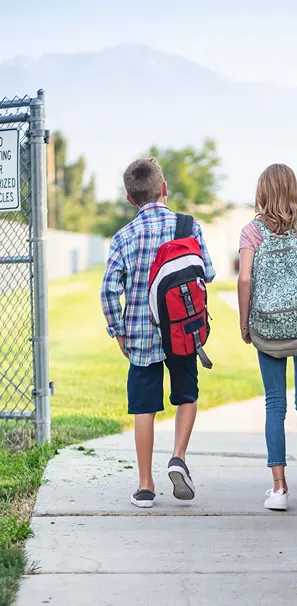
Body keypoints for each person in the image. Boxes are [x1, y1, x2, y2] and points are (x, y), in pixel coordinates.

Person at [101, 157, 215, 508]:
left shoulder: (123, 237)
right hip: (182, 330)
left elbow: (108, 289)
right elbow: (207, 272)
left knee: (144, 409)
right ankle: (178, 456)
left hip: (140, 335)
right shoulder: (187, 226)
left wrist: (117, 330)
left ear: (130, 198)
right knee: (187, 396)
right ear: (164, 189)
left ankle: (145, 485)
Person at [238, 163, 297, 511]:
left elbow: (245, 279)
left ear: (262, 190)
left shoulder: (252, 231)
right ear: (293, 189)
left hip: (267, 328)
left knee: (274, 404)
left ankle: (278, 488)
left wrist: (245, 323)